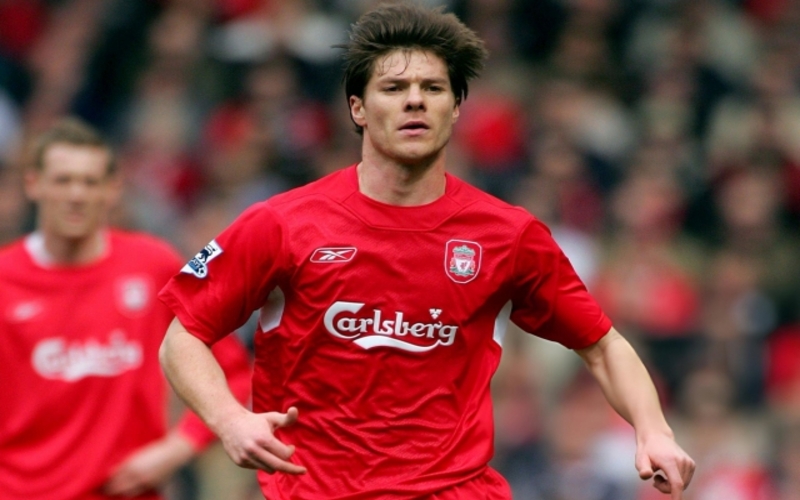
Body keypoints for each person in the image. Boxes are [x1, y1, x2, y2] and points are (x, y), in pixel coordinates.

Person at [158, 3, 696, 499]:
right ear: (358, 108)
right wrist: (229, 420)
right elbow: (182, 338)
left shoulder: (507, 234)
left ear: (456, 107)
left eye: (433, 87)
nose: (414, 99)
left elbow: (603, 345)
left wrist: (654, 431)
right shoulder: (282, 223)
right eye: (394, 87)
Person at [0, 117, 252, 500]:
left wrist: (178, 448)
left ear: (113, 188)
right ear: (33, 184)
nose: (76, 195)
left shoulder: (152, 265)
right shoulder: (5, 278)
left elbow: (233, 370)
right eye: (63, 180)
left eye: (90, 182)